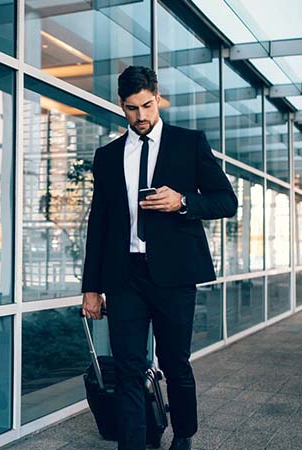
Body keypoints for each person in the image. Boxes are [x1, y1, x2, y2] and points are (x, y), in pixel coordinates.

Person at [81, 66, 237, 450]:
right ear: (121, 106)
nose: (141, 116)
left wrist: (183, 202)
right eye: (132, 109)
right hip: (125, 275)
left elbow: (227, 201)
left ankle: (183, 434)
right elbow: (98, 223)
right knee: (129, 368)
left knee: (174, 362)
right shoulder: (107, 156)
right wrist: (91, 288)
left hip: (174, 275)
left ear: (157, 97)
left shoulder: (189, 143)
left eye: (147, 106)